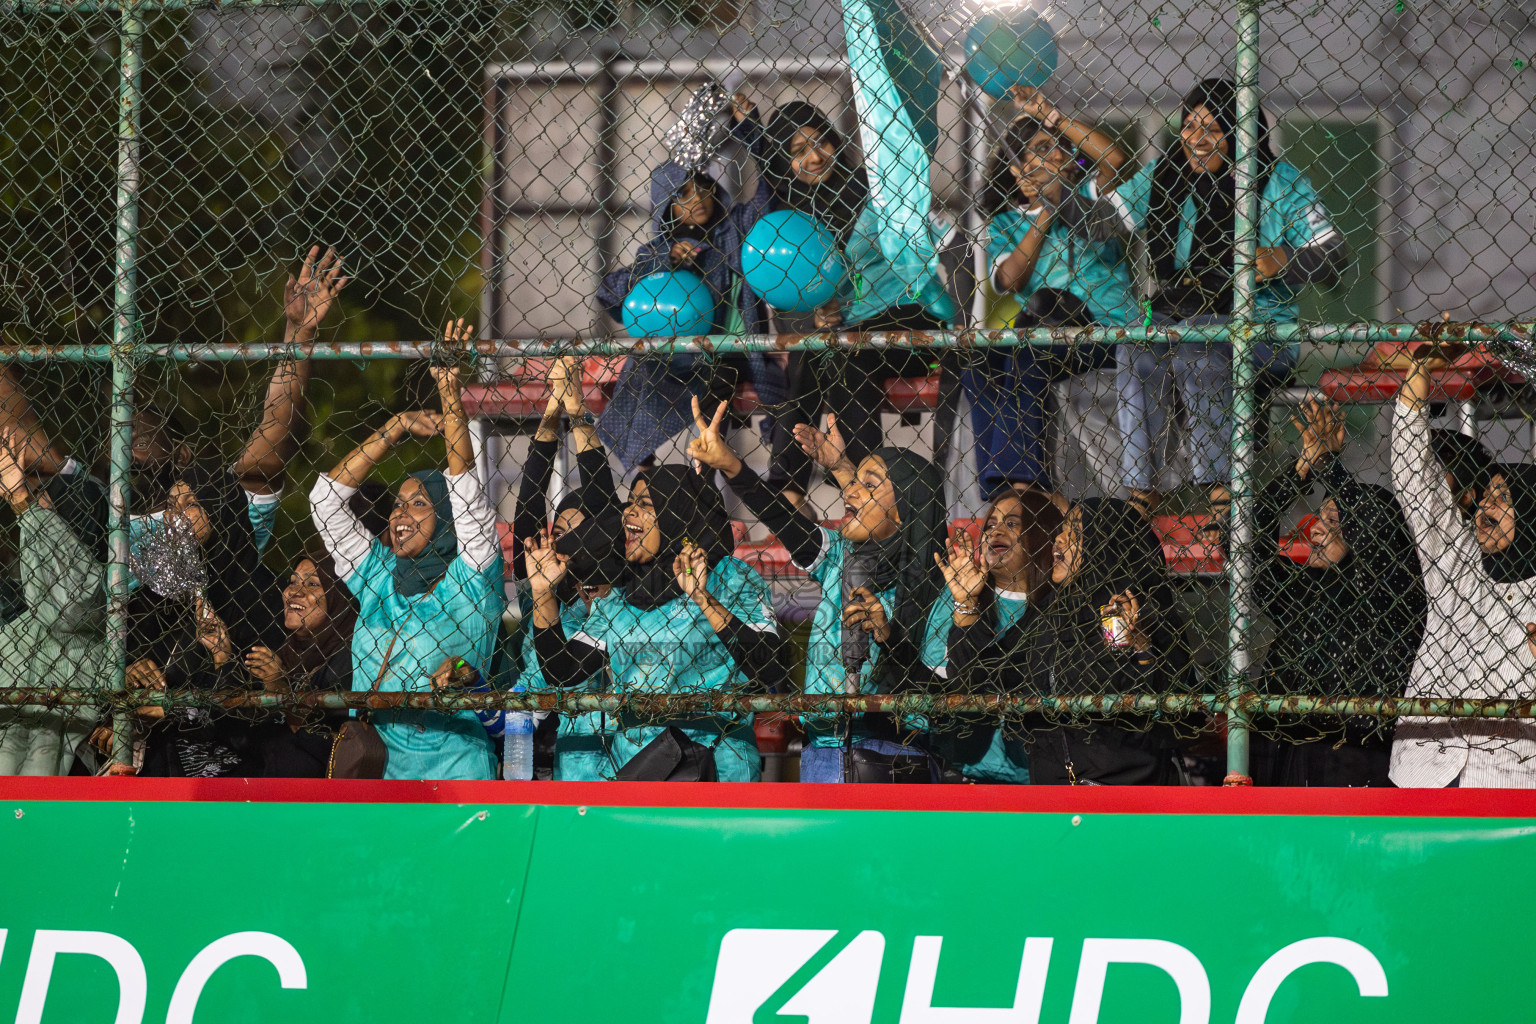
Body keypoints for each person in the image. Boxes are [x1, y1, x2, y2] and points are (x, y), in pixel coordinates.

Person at [1109, 79, 1347, 518]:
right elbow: (1104, 219)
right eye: (1190, 126)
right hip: (1172, 322)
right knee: (1136, 348)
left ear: (1242, 135)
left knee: (1200, 342)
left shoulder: (1280, 181)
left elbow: (1336, 256)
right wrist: (1063, 191)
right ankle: (1140, 497)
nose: (1197, 140)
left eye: (1214, 129)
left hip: (1260, 330)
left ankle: (1223, 496)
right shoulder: (1164, 174)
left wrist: (1287, 258)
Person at [689, 399, 948, 782]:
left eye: (868, 485)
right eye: (853, 481)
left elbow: (938, 696)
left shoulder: (938, 591)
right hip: (822, 754)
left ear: (904, 510)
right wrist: (730, 464)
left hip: (892, 761)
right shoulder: (843, 556)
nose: (851, 491)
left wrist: (890, 639)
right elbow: (783, 518)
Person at [732, 94, 955, 502]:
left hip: (915, 323)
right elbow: (768, 167)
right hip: (850, 342)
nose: (816, 157)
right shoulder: (792, 215)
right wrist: (819, 317)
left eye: (822, 142)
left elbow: (929, 244)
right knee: (815, 348)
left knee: (842, 347)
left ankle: (841, 483)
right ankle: (823, 487)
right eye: (798, 152)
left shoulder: (875, 188)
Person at [309, 322, 504, 781]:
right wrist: (392, 428)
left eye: (419, 505)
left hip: (455, 773)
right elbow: (325, 501)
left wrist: (449, 394)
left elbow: (467, 494)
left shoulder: (473, 577)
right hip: (376, 770)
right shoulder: (378, 574)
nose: (401, 515)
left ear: (446, 518)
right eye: (397, 504)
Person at [526, 461, 780, 781]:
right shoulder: (619, 596)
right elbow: (562, 672)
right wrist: (543, 593)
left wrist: (703, 598)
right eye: (630, 503)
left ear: (679, 514)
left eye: (645, 505)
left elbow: (767, 666)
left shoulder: (732, 577)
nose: (629, 513)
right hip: (639, 769)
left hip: (718, 766)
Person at [1247, 400, 1426, 787]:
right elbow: (1247, 543)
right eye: (1318, 516)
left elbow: (1376, 530)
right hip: (1288, 754)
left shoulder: (1392, 593)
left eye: (1334, 519)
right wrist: (1303, 468)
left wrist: (1330, 463)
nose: (1315, 528)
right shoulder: (1303, 592)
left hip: (1357, 756)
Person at [969, 86, 1133, 496]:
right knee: (980, 359)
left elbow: (1114, 159)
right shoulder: (1006, 222)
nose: (1059, 154)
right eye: (1044, 148)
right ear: (1018, 167)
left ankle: (1023, 482)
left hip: (1107, 332)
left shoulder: (1092, 198)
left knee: (1047, 303)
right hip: (1045, 341)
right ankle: (1005, 487)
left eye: (1062, 148)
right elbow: (1010, 279)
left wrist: (1054, 118)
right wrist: (1044, 211)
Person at [1391, 349, 1536, 787]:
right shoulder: (1455, 562)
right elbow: (1413, 475)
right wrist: (1421, 370)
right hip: (1424, 772)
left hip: (1509, 783)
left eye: (1504, 498)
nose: (1486, 508)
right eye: (1485, 496)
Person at [595, 147, 785, 472]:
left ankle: (706, 472)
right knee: (640, 371)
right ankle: (644, 471)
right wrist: (665, 262)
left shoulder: (737, 230)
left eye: (702, 187)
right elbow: (610, 290)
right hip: (684, 355)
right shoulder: (657, 250)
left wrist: (752, 134)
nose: (696, 198)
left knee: (721, 382)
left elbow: (769, 197)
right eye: (682, 193)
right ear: (666, 205)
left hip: (739, 352)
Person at [125, 459, 286, 777]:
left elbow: (257, 701)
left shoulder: (259, 592)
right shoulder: (161, 588)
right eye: (170, 506)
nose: (175, 516)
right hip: (160, 748)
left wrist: (219, 664)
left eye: (191, 504)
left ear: (220, 508)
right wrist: (130, 668)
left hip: (236, 756)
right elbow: (136, 660)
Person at [506, 358, 621, 781]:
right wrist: (550, 421)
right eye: (561, 533)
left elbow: (605, 502)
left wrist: (577, 414)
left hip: (622, 755)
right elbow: (527, 510)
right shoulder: (544, 589)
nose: (564, 545)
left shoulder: (623, 590)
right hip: (552, 753)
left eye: (581, 533)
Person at [1020, 498, 1188, 785]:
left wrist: (1141, 648)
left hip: (1129, 792)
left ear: (1106, 544)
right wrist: (967, 612)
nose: (1058, 538)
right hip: (1053, 791)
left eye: (1074, 531)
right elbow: (986, 675)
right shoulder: (1048, 612)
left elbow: (1179, 719)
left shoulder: (1146, 611)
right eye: (1060, 530)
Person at [925, 489, 1064, 783]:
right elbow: (947, 683)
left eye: (1012, 524)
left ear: (1041, 535)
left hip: (1038, 777)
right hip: (964, 773)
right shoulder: (956, 596)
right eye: (990, 525)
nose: (996, 531)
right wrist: (967, 606)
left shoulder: (1060, 607)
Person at [0, 428, 112, 775]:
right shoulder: (18, 612)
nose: (40, 506)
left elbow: (68, 603)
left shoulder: (98, 596)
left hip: (47, 772)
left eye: (46, 504)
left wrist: (22, 500)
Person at [243, 555, 360, 778]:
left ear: (338, 597)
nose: (294, 592)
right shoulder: (288, 651)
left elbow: (321, 747)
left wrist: (280, 689)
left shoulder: (349, 659)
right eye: (293, 582)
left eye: (313, 583)